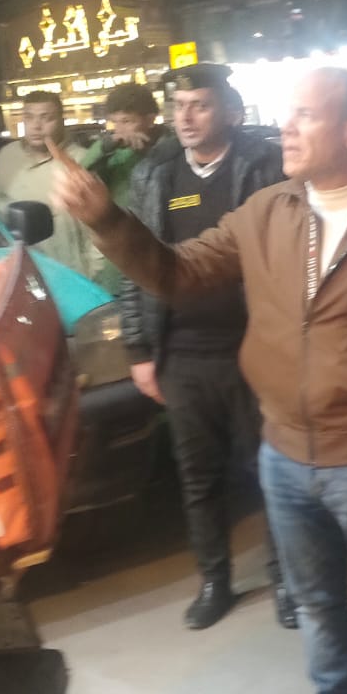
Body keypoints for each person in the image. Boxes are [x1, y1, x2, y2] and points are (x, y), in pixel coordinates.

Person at [54, 66, 347, 694]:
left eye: (305, 115)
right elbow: (177, 273)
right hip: (282, 455)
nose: (286, 127)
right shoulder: (267, 210)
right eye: (287, 113)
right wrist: (106, 220)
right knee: (316, 606)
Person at [115, 63, 289, 631]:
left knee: (272, 470)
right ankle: (215, 579)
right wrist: (139, 350)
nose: (185, 117)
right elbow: (133, 262)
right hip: (182, 353)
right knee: (199, 476)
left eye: (200, 105)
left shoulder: (263, 166)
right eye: (178, 106)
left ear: (231, 113)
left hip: (253, 348)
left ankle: (287, 577)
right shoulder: (155, 173)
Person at [0, 91, 93, 277]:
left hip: (72, 275)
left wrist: (94, 275)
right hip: (20, 273)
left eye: (46, 118)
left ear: (61, 121)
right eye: (29, 118)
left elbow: (101, 227)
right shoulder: (7, 157)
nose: (36, 126)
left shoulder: (81, 160)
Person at [79, 82, 169, 291]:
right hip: (120, 254)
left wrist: (150, 153)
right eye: (115, 122)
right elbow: (81, 178)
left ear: (150, 119)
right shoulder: (113, 154)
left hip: (162, 249)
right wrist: (103, 148)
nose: (119, 130)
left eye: (127, 121)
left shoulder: (171, 148)